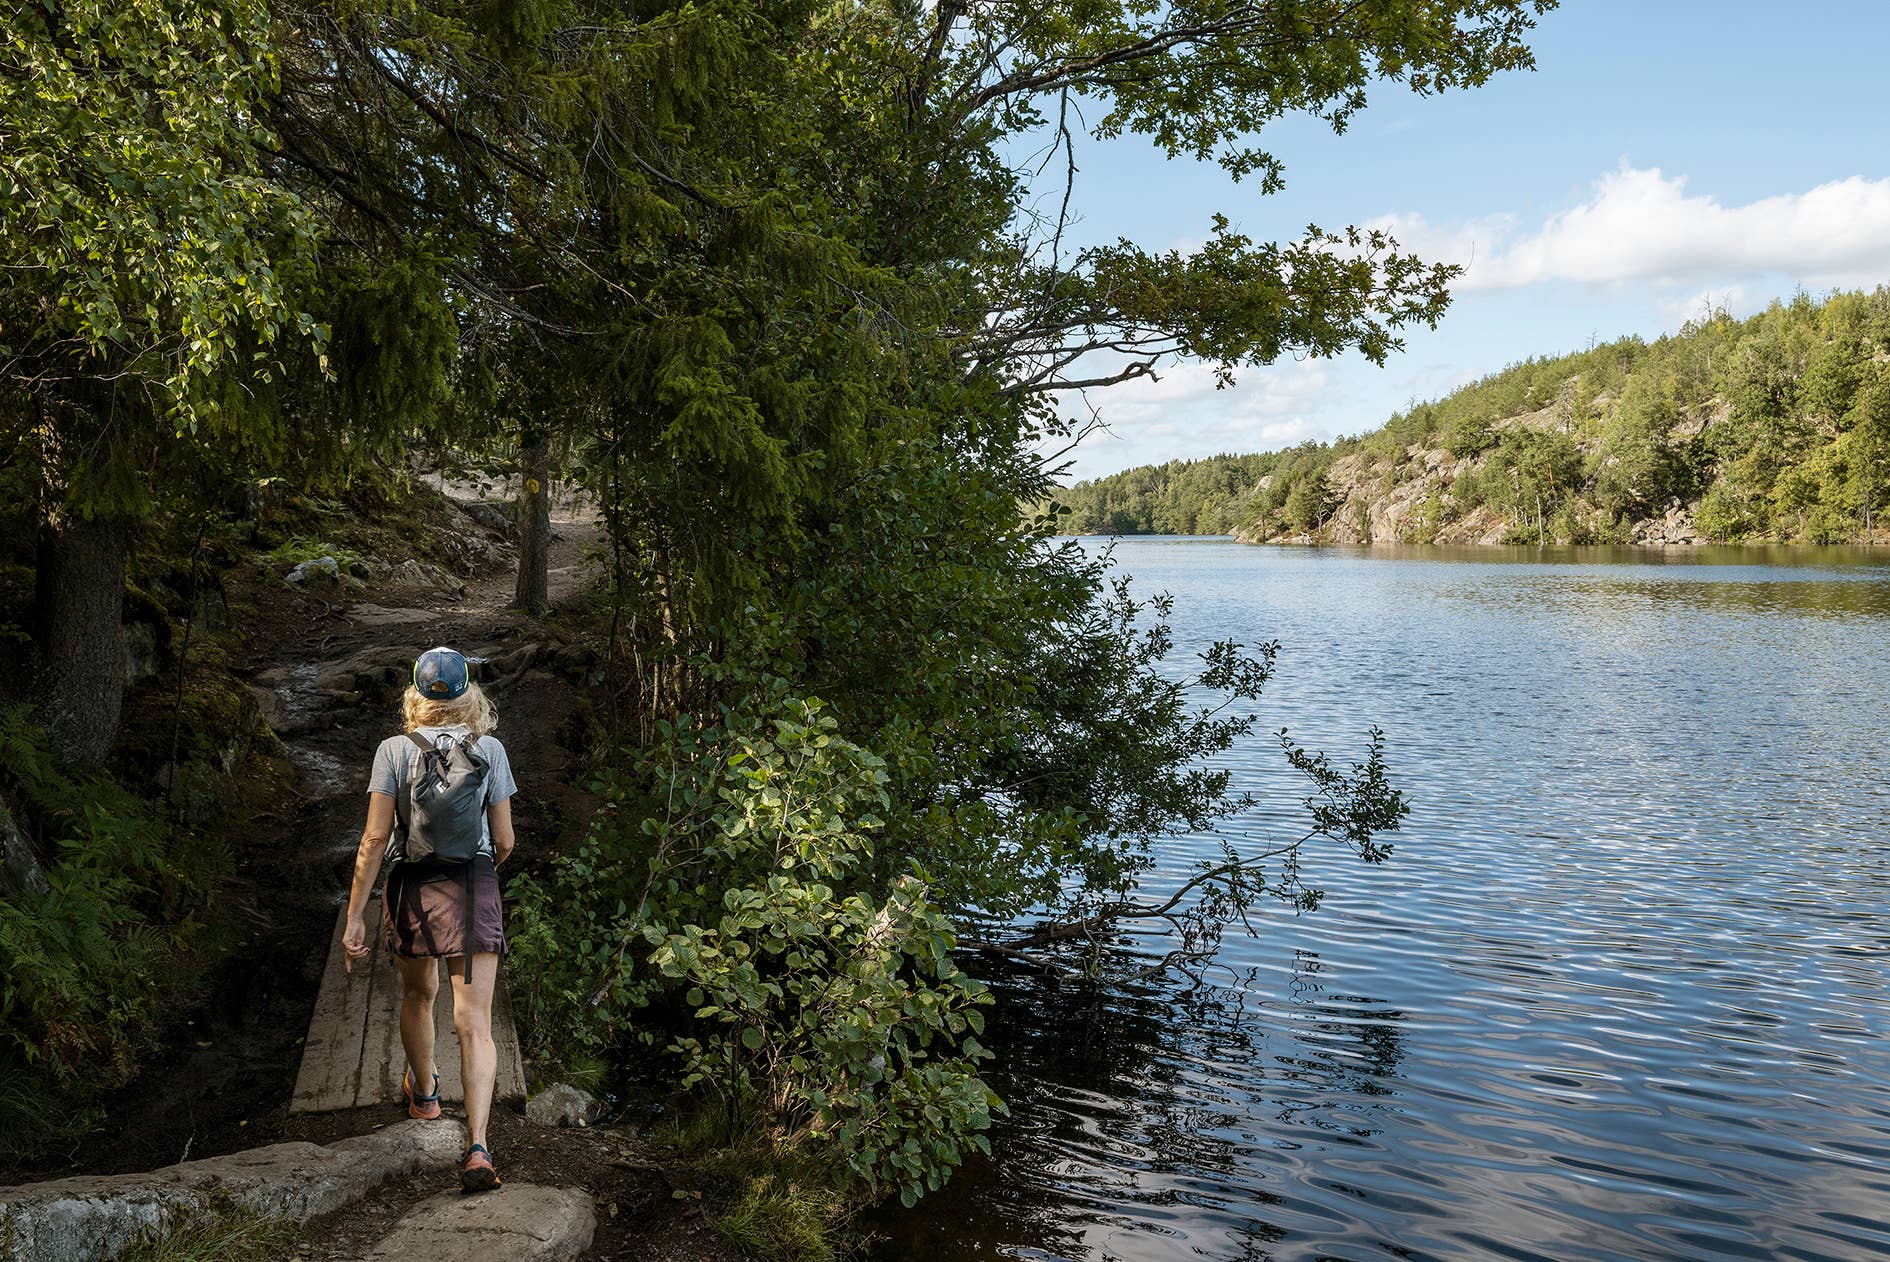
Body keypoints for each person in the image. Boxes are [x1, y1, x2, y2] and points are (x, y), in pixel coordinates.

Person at [342, 645, 517, 1193]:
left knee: (419, 997)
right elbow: (507, 839)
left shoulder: (393, 750)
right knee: (475, 1024)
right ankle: (479, 1147)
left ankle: (424, 1095)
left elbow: (374, 839)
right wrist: (483, 866)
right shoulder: (490, 749)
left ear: (416, 694)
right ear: (471, 692)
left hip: (413, 887)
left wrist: (354, 916)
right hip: (471, 886)